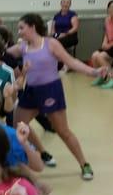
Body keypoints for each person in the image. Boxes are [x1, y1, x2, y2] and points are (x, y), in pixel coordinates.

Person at [7, 13, 104, 179]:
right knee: (19, 125)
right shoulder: (22, 47)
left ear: (32, 27)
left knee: (62, 131)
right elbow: (1, 54)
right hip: (31, 91)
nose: (19, 31)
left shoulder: (50, 44)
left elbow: (71, 62)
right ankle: (42, 152)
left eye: (22, 28)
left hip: (51, 90)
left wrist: (93, 72)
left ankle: (84, 164)